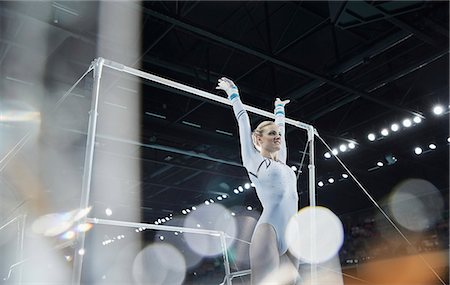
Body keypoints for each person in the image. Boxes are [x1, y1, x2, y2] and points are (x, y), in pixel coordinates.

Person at [216, 77, 300, 284]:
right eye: (272, 134)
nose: (278, 136)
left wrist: (279, 109)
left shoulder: (281, 161)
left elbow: (281, 128)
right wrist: (233, 94)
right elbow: (243, 121)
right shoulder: (254, 161)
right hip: (269, 231)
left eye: (278, 134)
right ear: (259, 139)